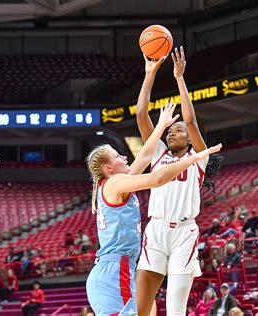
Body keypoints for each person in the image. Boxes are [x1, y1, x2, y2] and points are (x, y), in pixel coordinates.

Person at [86, 102, 221, 315]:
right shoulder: (115, 183)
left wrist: (160, 125)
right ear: (108, 168)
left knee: (151, 310)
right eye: (118, 156)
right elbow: (157, 178)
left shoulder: (123, 181)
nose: (125, 157)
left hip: (120, 266)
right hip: (116, 268)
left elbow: (146, 155)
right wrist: (194, 158)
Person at [136, 47, 222, 316]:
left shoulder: (200, 158)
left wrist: (179, 78)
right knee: (140, 307)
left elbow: (191, 120)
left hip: (185, 233)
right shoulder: (159, 153)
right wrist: (149, 75)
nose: (173, 132)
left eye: (178, 131)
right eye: (170, 131)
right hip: (157, 228)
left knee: (175, 310)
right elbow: (141, 115)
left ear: (189, 139)